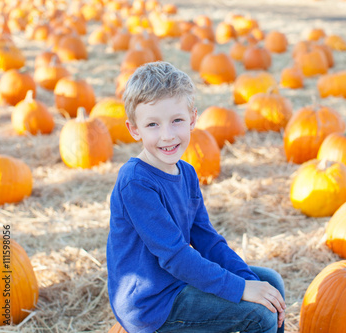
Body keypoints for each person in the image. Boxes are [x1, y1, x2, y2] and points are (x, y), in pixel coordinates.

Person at [107, 61, 286, 333]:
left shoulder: (187, 174)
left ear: (192, 119)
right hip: (153, 305)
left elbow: (207, 240)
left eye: (176, 120)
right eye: (153, 124)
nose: (167, 135)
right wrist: (241, 290)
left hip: (176, 282)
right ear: (134, 129)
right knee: (260, 315)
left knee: (270, 283)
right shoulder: (136, 183)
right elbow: (176, 257)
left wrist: (251, 283)